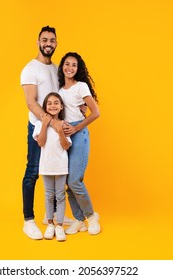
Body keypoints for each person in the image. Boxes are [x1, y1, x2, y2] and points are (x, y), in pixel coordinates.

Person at [20, 26, 73, 240]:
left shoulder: (56, 68)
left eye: (52, 40)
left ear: (56, 43)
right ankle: (28, 220)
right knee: (33, 171)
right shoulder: (30, 69)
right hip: (38, 128)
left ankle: (50, 215)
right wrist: (50, 123)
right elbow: (31, 102)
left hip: (56, 127)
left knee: (57, 169)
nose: (48, 43)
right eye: (44, 40)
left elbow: (61, 97)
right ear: (38, 42)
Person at [58, 52, 101, 235]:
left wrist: (76, 128)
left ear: (78, 69)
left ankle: (91, 217)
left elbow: (95, 112)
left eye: (74, 65)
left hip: (78, 132)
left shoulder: (81, 86)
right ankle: (78, 219)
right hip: (64, 134)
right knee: (67, 181)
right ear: (62, 67)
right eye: (67, 64)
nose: (70, 68)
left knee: (75, 180)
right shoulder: (59, 90)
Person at [33, 92, 71, 241]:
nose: (53, 105)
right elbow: (41, 142)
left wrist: (60, 131)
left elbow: (66, 146)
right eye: (49, 103)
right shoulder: (38, 124)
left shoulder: (64, 124)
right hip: (47, 165)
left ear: (61, 106)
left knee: (60, 196)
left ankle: (59, 225)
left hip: (61, 166)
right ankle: (50, 223)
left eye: (56, 103)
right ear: (45, 107)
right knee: (49, 196)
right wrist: (44, 125)